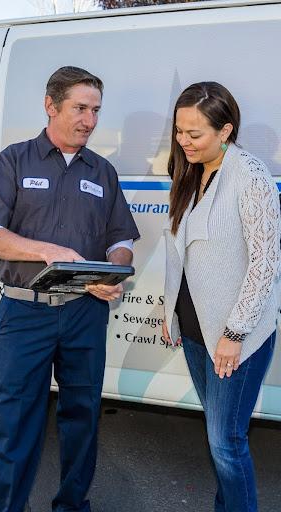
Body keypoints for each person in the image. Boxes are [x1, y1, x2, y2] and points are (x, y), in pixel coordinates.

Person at [0, 66, 140, 512]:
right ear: (51, 106)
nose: (90, 120)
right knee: (13, 419)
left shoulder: (102, 172)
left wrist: (114, 271)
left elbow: (121, 240)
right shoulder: (15, 160)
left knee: (82, 417)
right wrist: (47, 251)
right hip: (25, 313)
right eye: (80, 108)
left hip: (85, 313)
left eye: (96, 111)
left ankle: (72, 505)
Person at [162, 81, 280, 512]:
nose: (184, 141)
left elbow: (265, 264)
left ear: (225, 130)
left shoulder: (250, 177)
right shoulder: (190, 172)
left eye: (195, 134)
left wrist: (234, 333)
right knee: (220, 438)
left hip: (234, 336)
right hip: (196, 330)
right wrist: (170, 310)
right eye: (179, 131)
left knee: (225, 441)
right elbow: (180, 249)